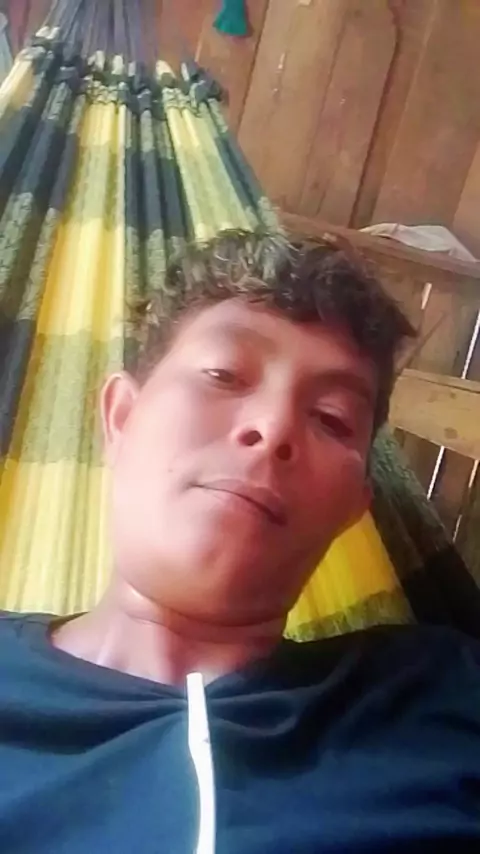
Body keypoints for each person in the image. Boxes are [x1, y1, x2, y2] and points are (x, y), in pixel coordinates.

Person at [0, 231, 479, 854]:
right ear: (120, 417)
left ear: (353, 508)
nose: (274, 427)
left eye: (332, 418)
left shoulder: (440, 696)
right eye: (223, 374)